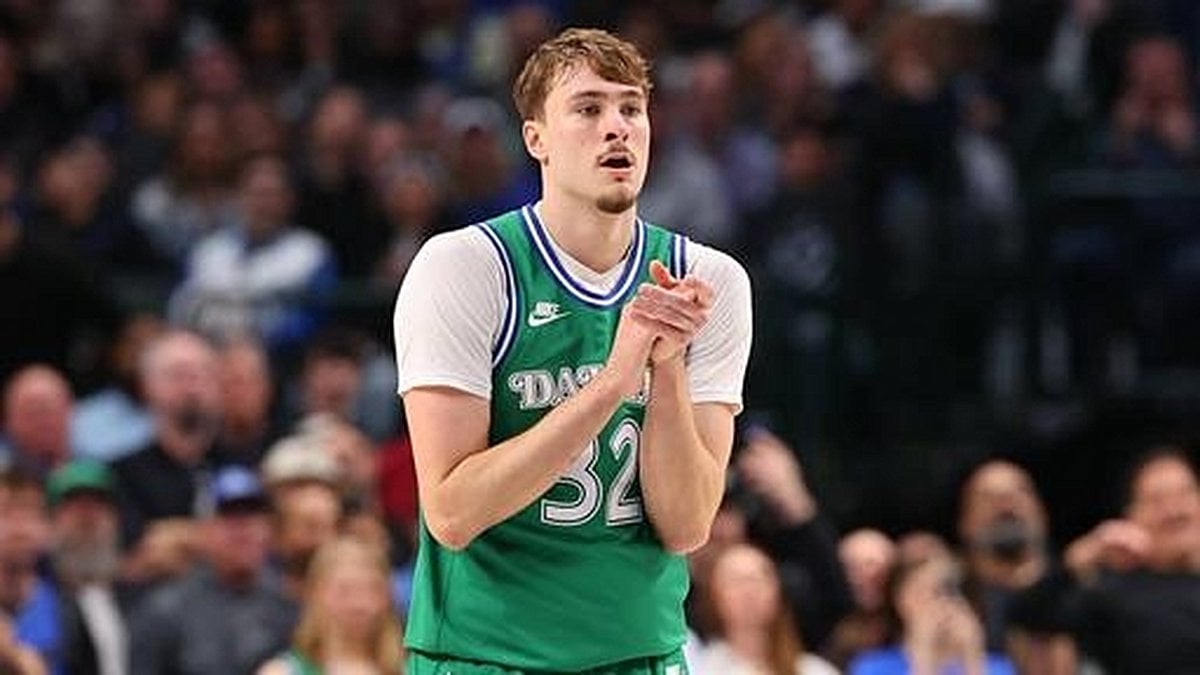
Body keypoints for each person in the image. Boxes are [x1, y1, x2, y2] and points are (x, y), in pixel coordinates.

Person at [393, 27, 752, 674]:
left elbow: (687, 525)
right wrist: (613, 382)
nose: (616, 127)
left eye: (631, 108)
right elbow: (452, 511)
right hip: (487, 656)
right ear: (536, 139)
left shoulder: (707, 280)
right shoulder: (467, 268)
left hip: (641, 654)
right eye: (588, 108)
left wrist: (666, 364)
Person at [129, 465, 297, 675]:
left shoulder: (287, 605)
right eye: (230, 518)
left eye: (253, 516)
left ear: (269, 530)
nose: (244, 531)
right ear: (203, 531)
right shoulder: (165, 612)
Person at [849, 553, 1016, 675]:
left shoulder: (998, 668)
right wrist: (924, 658)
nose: (939, 603)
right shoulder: (872, 667)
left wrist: (972, 659)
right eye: (923, 592)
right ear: (899, 600)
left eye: (949, 591)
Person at [257, 537, 404, 675]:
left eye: (371, 590)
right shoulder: (282, 671)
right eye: (344, 591)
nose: (359, 604)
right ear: (316, 594)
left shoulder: (408, 669)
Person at [697, 542, 839, 675]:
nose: (750, 591)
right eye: (736, 581)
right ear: (714, 595)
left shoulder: (814, 669)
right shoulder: (702, 667)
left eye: (759, 579)